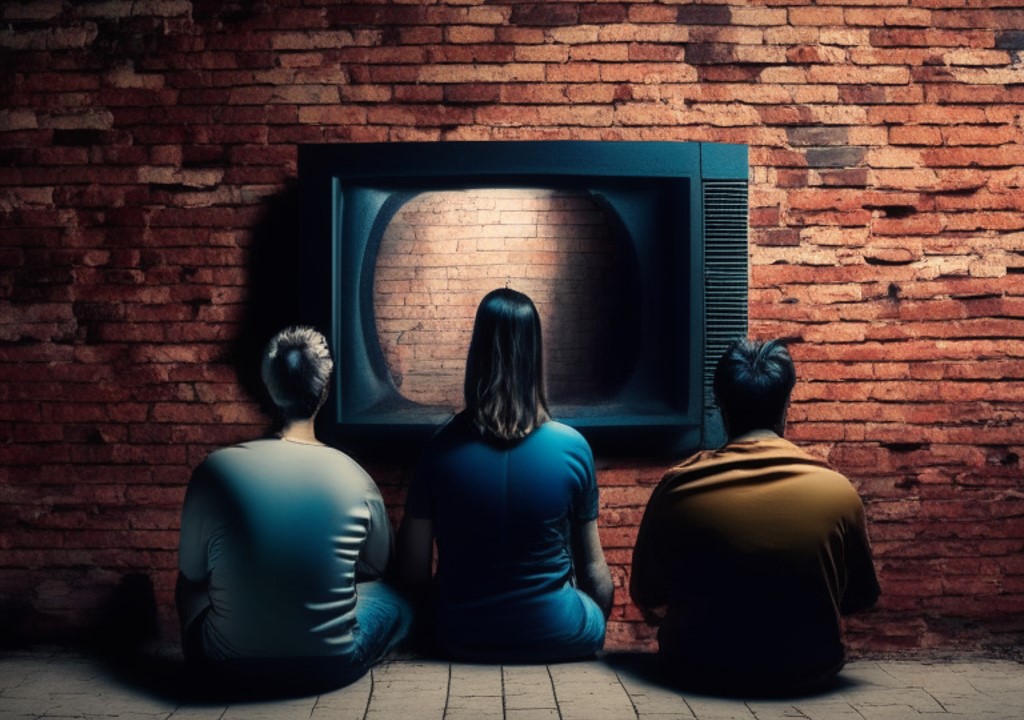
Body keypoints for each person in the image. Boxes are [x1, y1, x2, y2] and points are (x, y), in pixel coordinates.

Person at [630, 338, 880, 695]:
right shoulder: (837, 490)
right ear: (787, 404)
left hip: (697, 670)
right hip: (809, 672)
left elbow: (647, 594)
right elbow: (860, 598)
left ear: (720, 406)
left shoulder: (677, 487)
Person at [176, 326, 411, 693]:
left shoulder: (214, 470)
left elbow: (192, 574)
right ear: (324, 391)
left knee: (190, 584)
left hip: (226, 668)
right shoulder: (354, 475)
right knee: (393, 597)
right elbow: (375, 567)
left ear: (268, 387)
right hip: (329, 667)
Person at [398, 288, 614, 662]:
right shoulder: (573, 447)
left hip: (459, 635)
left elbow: (413, 572)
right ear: (535, 354)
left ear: (476, 352)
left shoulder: (438, 448)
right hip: (559, 632)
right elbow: (594, 572)